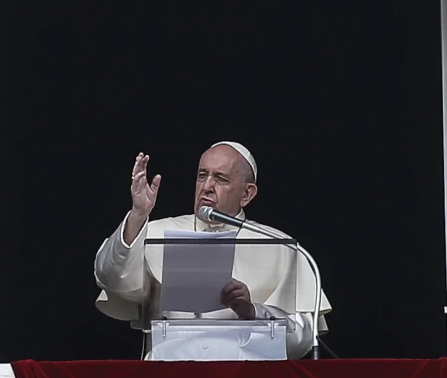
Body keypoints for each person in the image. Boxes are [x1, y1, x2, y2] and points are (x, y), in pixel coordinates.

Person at [94, 142, 331, 359]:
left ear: (247, 194)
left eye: (221, 178)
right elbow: (111, 278)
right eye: (202, 175)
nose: (207, 187)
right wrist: (138, 215)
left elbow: (303, 340)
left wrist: (253, 312)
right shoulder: (154, 232)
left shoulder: (279, 245)